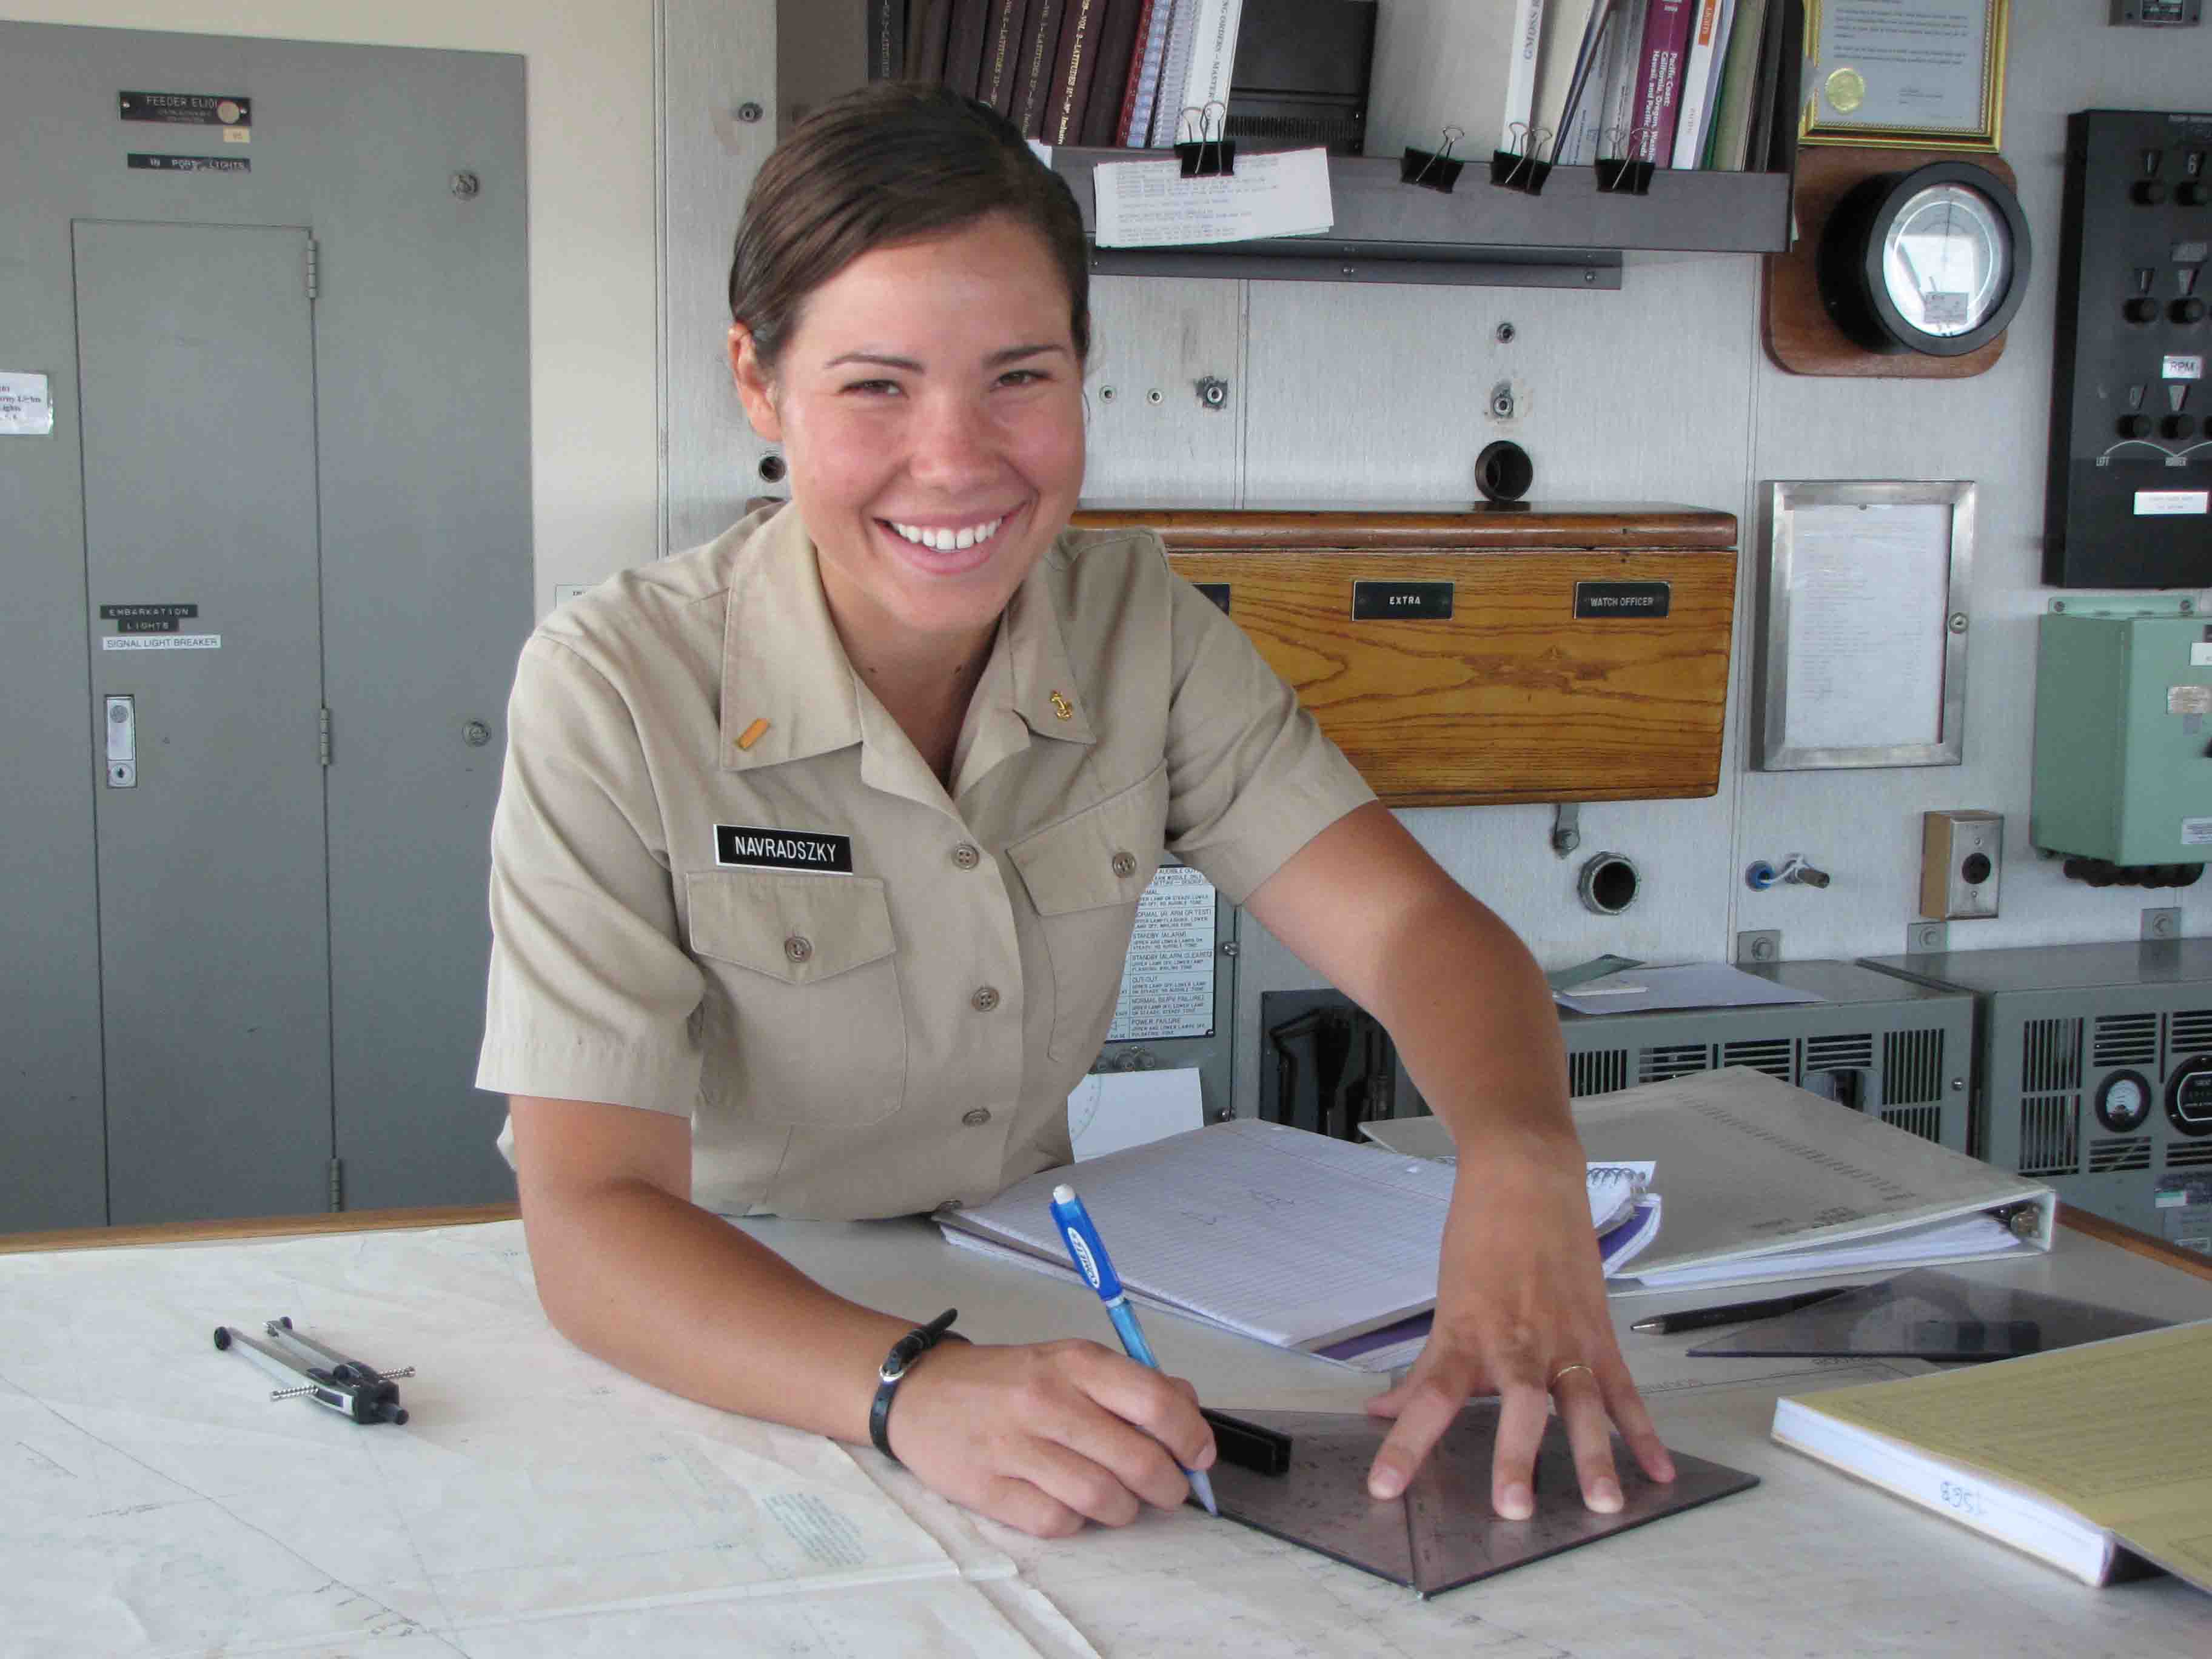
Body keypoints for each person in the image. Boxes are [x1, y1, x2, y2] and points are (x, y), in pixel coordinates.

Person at [477, 81, 1672, 1541]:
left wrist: (1521, 1154)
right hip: (725, 1337)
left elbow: (1416, 925)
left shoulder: (1137, 628)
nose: (959, 457)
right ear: (757, 380)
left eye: (1019, 377)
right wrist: (909, 1389)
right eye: (877, 386)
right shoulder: (612, 686)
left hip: (1026, 1317)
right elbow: (589, 1223)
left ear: (1084, 370)